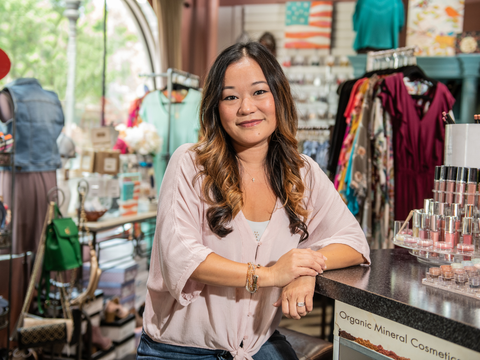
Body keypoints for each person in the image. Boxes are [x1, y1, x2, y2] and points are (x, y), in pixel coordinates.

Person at [138, 42, 370, 360]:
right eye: (231, 97)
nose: (247, 108)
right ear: (216, 108)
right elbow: (182, 258)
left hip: (256, 346)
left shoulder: (303, 173)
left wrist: (306, 270)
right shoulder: (190, 164)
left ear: (279, 98)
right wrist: (272, 275)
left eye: (259, 92)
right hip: (180, 350)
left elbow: (354, 243)